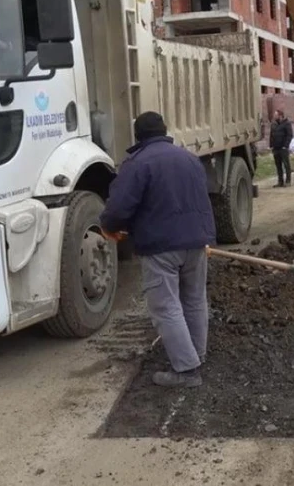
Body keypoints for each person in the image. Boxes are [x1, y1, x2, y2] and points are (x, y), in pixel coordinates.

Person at [99, 111, 216, 388]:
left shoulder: (138, 163)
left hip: (161, 245)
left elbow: (118, 207)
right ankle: (196, 355)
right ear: (165, 131)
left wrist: (109, 226)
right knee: (195, 299)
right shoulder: (189, 158)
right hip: (197, 242)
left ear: (138, 136)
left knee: (165, 306)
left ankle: (187, 370)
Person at [269, 109, 293, 187]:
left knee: (286, 165)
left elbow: (289, 135)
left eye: (276, 115)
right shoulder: (274, 124)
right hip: (276, 148)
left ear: (280, 116)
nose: (274, 116)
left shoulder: (286, 123)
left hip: (283, 148)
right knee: (278, 166)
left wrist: (285, 146)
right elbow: (271, 135)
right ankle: (280, 181)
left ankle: (288, 181)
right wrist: (271, 145)